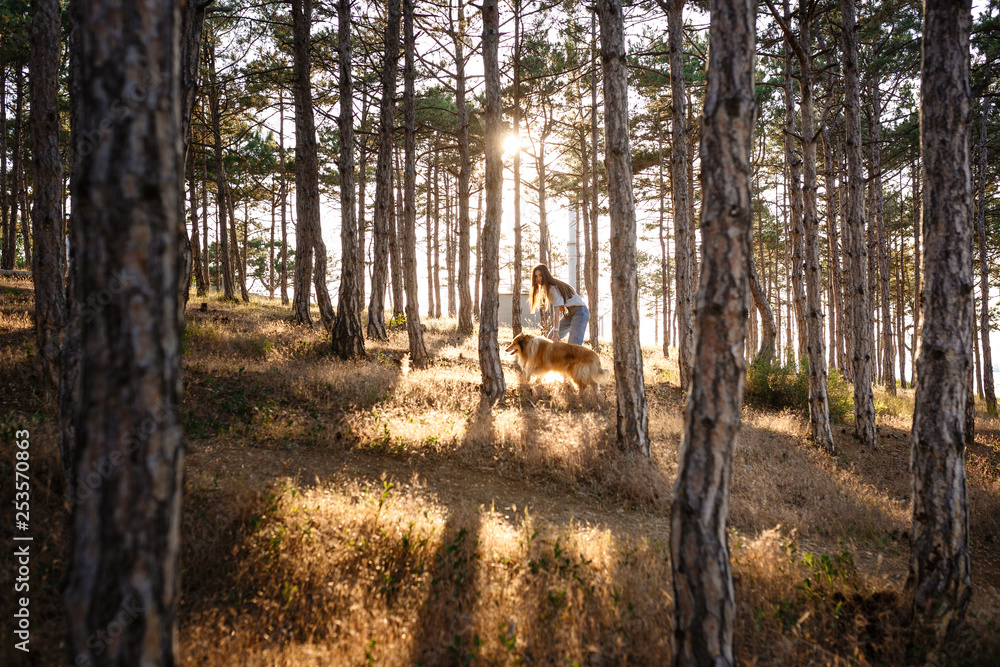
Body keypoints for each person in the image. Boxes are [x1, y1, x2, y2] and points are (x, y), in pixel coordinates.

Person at [529, 263, 590, 346]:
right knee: (550, 338)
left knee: (573, 345)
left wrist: (556, 331)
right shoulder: (548, 287)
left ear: (545, 275)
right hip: (570, 313)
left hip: (580, 312)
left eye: (540, 275)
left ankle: (573, 354)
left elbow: (556, 312)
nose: (538, 278)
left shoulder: (553, 287)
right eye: (536, 276)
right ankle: (560, 352)